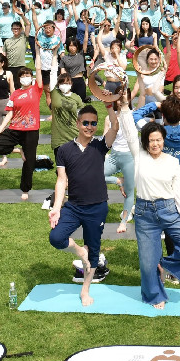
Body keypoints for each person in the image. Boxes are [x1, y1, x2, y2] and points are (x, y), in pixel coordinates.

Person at [118, 100, 180, 309]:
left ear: (163, 141)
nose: (155, 144)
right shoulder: (139, 156)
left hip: (169, 210)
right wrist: (123, 108)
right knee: (147, 266)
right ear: (146, 142)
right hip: (145, 214)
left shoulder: (172, 162)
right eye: (151, 140)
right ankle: (155, 295)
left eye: (158, 140)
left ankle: (164, 265)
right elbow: (130, 130)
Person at [49, 104, 119, 306]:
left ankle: (85, 289)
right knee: (56, 237)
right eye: (86, 123)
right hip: (74, 207)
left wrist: (110, 107)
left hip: (97, 207)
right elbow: (62, 180)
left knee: (94, 251)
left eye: (93, 123)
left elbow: (114, 127)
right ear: (78, 123)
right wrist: (56, 207)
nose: (89, 127)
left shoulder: (99, 146)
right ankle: (81, 252)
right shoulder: (64, 150)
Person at [0, 66, 42, 199]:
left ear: (32, 77)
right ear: (19, 79)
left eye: (28, 75)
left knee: (29, 162)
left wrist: (37, 51)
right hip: (15, 128)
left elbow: (39, 69)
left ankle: (25, 189)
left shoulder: (36, 89)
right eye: (23, 76)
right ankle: (20, 150)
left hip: (31, 130)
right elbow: (10, 113)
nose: (26, 78)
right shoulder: (15, 94)